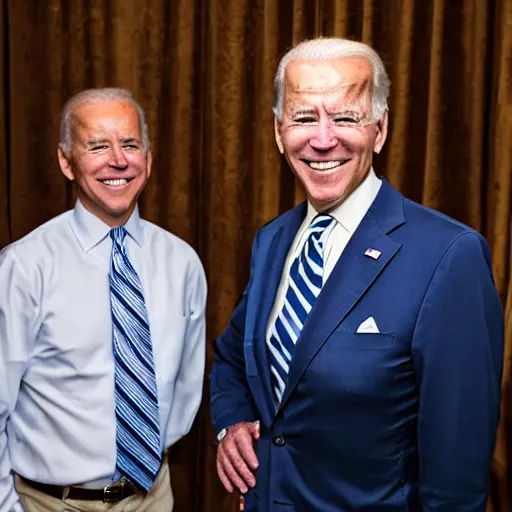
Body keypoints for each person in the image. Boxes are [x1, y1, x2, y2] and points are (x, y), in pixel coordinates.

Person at [210, 37, 504, 511]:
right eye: (304, 118)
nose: (324, 139)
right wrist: (233, 423)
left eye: (346, 117)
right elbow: (231, 358)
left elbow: (457, 470)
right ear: (278, 131)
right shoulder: (274, 240)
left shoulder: (449, 255)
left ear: (380, 129)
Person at [0, 88, 207, 511]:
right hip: (50, 503)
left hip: (151, 498)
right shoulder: (24, 267)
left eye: (130, 144)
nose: (118, 160)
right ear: (66, 161)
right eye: (98, 146)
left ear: (147, 159)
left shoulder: (182, 263)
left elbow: (185, 388)